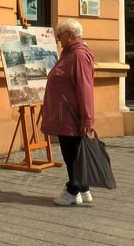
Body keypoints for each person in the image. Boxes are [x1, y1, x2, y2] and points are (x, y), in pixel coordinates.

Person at [41, 18, 95, 206]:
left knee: (71, 154)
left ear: (70, 35)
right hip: (65, 115)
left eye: (60, 34)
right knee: (74, 153)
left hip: (70, 117)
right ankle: (84, 188)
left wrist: (87, 120)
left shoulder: (78, 55)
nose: (57, 38)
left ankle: (73, 190)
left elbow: (85, 88)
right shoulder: (70, 53)